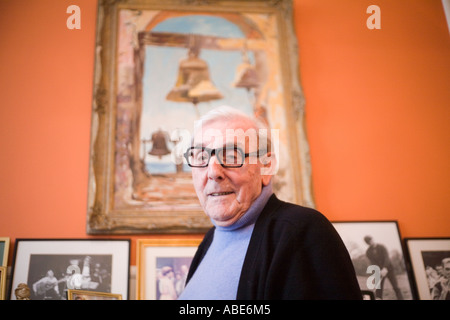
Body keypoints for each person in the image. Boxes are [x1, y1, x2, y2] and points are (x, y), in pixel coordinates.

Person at [177, 106, 362, 300]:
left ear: (266, 166)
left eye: (232, 156)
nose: (213, 172)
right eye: (201, 158)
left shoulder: (302, 231)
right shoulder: (211, 239)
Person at [364, 235, 404, 300]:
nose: (371, 242)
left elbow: (386, 258)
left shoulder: (382, 247)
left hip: (389, 269)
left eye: (371, 240)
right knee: (378, 289)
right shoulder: (368, 252)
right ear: (367, 243)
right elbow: (373, 262)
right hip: (378, 271)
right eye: (368, 242)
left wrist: (385, 268)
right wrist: (379, 271)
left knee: (396, 287)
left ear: (372, 239)